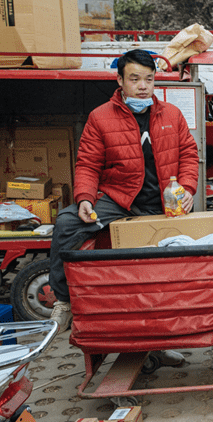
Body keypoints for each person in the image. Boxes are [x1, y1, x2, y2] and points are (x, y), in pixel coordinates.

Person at [48, 50, 200, 332]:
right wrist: (84, 199)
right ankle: (64, 301)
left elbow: (190, 154)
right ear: (119, 80)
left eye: (149, 79)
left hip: (165, 202)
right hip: (120, 199)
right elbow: (88, 164)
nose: (143, 86)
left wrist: (188, 188)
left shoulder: (172, 114)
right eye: (134, 79)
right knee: (67, 222)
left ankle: (164, 337)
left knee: (165, 271)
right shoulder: (100, 117)